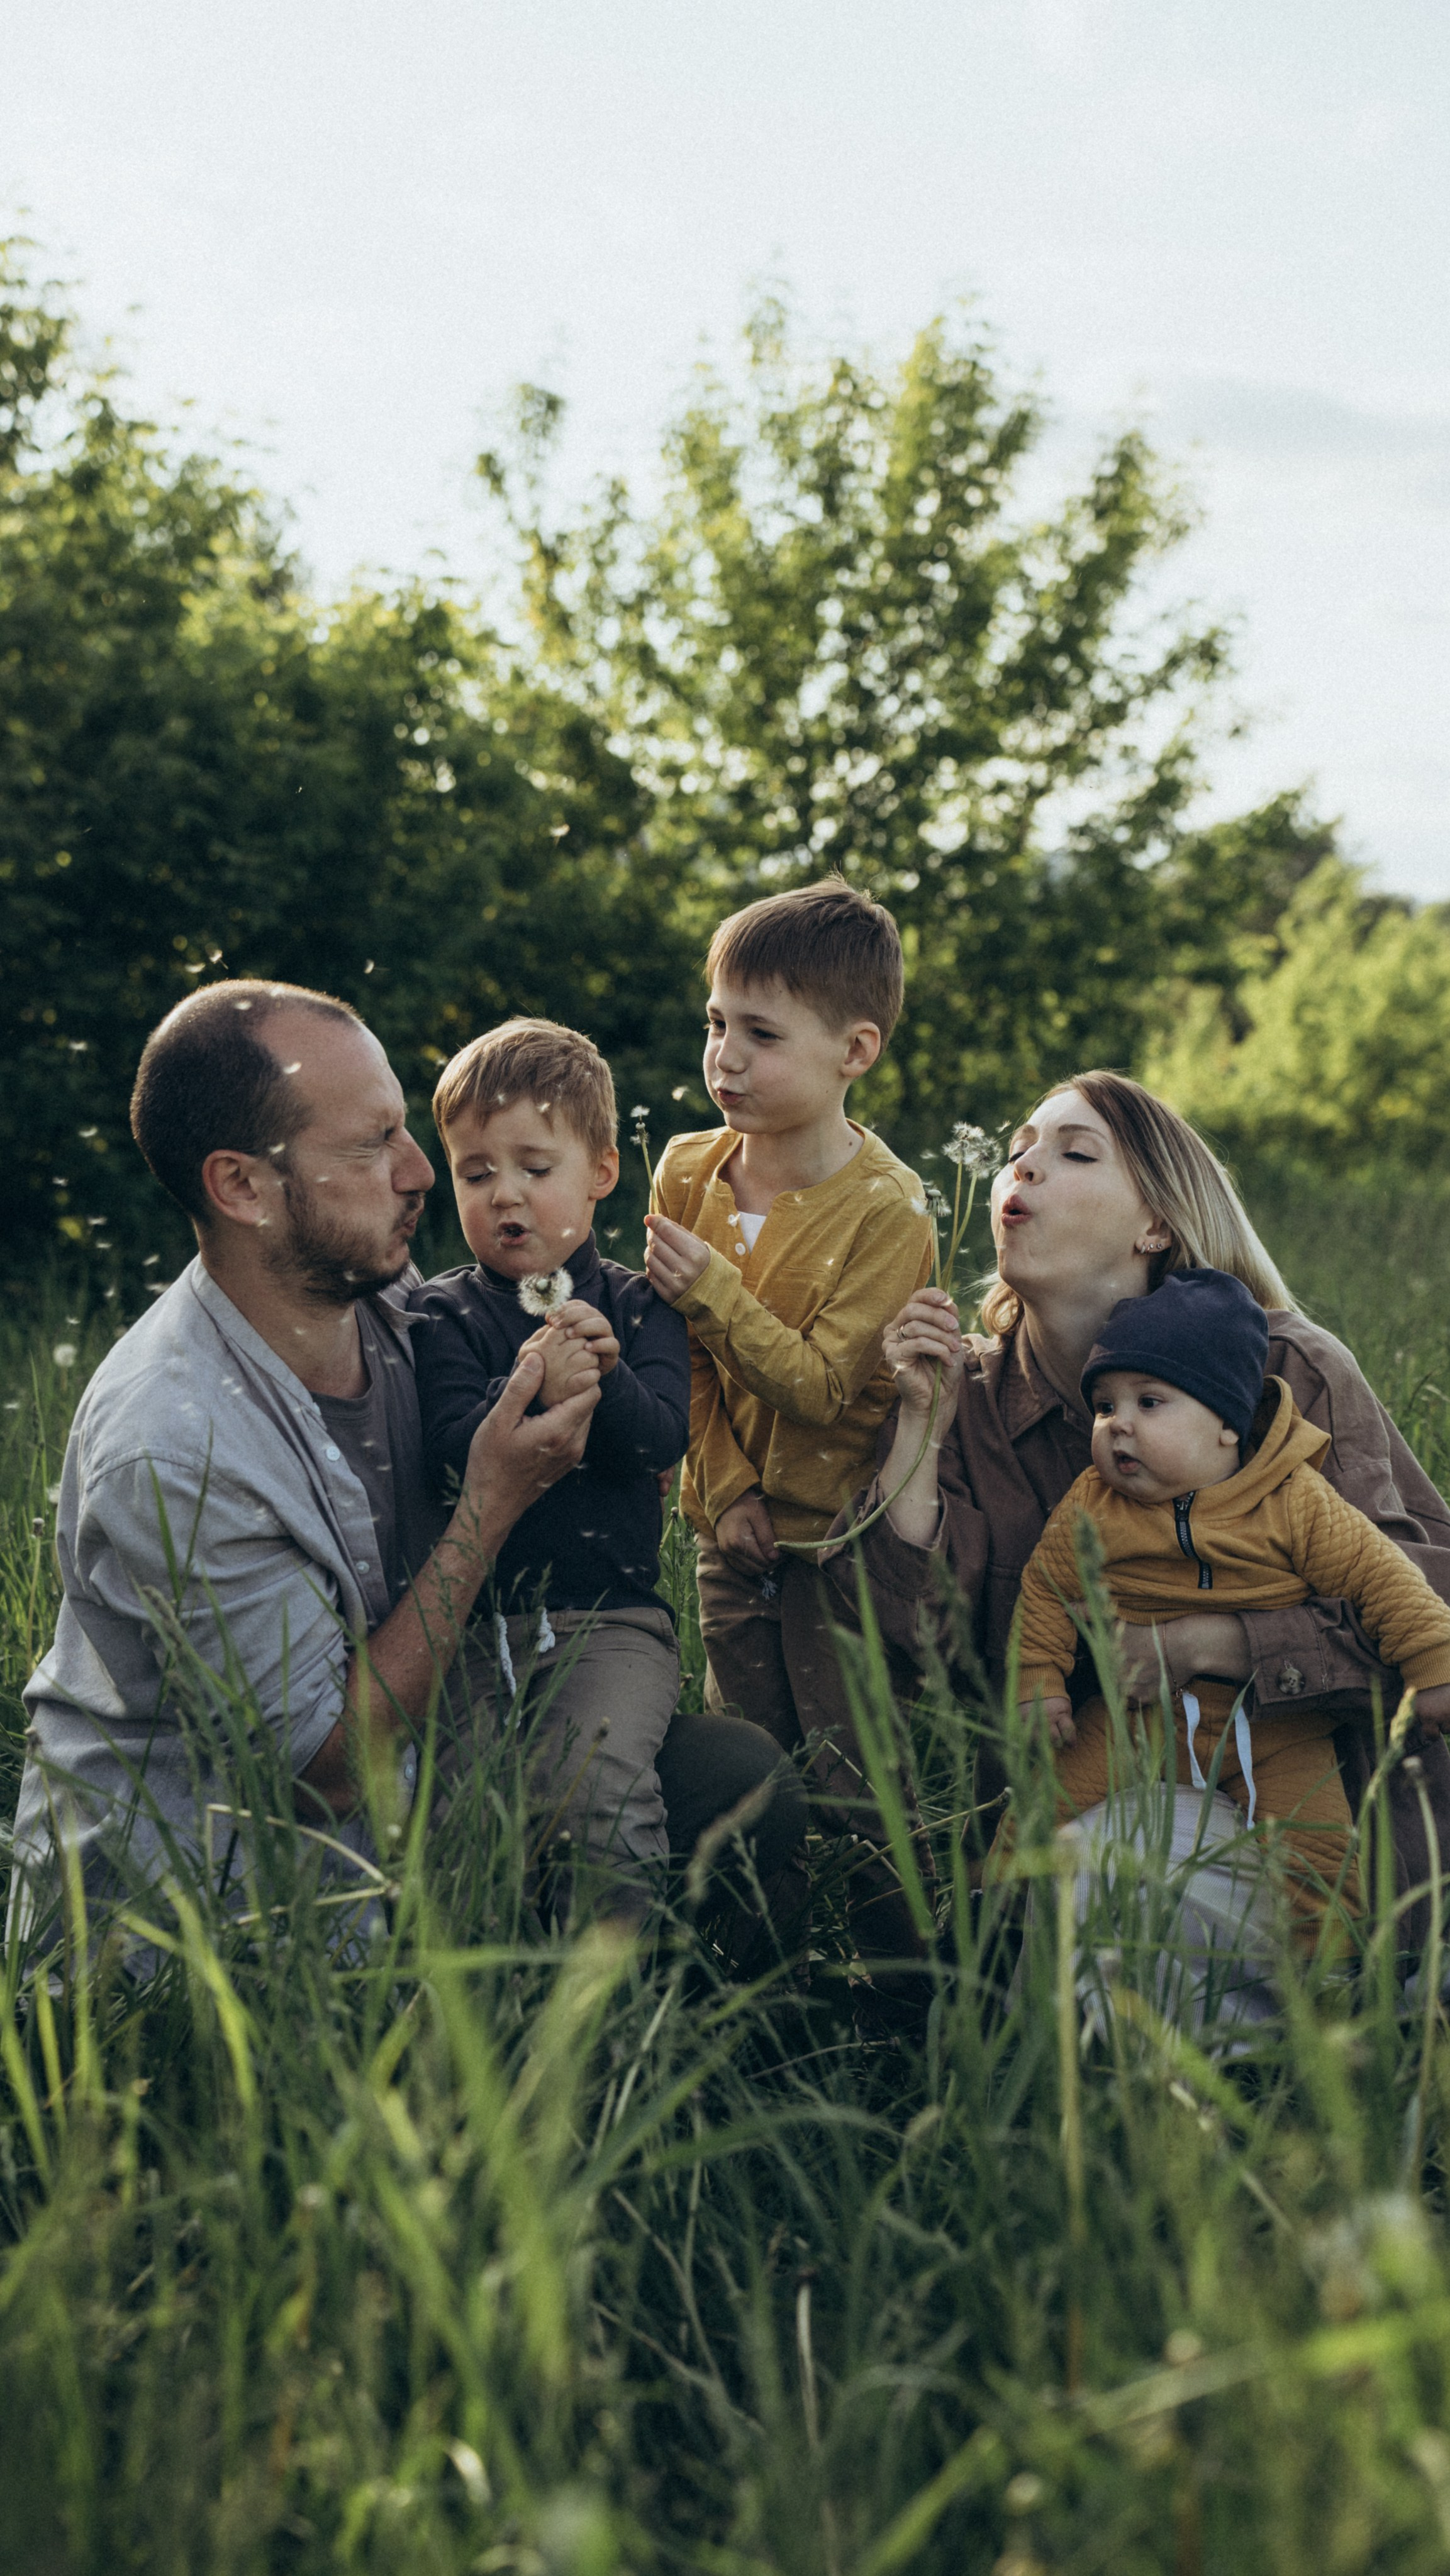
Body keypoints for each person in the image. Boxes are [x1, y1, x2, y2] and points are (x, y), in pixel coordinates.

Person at [9, 980, 804, 1952]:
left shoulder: (394, 1312)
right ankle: (528, 2029)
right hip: (223, 1915)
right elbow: (325, 1773)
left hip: (426, 1771)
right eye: (370, 1144)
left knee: (733, 1777)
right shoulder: (175, 1447)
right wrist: (492, 1504)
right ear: (243, 1188)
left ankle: (637, 2025)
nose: (422, 1172)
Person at [823, 1070, 1450, 1950]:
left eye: (1073, 1153)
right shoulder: (962, 1393)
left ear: (1155, 1224)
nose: (1023, 1170)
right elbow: (901, 1648)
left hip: (1324, 1812)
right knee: (1104, 1867)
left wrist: (1213, 1645)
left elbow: (1422, 1601)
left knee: (1122, 1875)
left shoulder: (1282, 1371)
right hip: (1097, 1801)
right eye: (1014, 1154)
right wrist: (918, 1429)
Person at [645, 877, 933, 1968]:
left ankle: (895, 1980)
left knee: (860, 1765)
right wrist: (726, 1495)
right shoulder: (688, 1172)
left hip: (847, 1544)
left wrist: (713, 1283)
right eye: (716, 1022)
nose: (724, 1056)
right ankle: (757, 1974)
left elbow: (819, 1385)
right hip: (739, 1536)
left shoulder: (887, 1210)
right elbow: (685, 1365)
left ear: (854, 1050)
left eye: (760, 1034)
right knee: (750, 1760)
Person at [1008, 1267, 1450, 1943]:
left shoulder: (1292, 1500)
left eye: (1148, 1403)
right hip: (1139, 1715)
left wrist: (1433, 1662)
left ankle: (1325, 1977)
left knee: (1315, 1850)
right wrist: (1037, 1685)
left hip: (1274, 1725)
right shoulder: (1091, 1506)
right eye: (1105, 1406)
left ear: (1225, 1425)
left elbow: (1380, 1579)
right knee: (1042, 1808)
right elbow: (1045, 1589)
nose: (1118, 1425)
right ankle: (989, 1926)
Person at [408, 1018, 689, 1926]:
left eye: (535, 1168)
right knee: (457, 1805)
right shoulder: (439, 1313)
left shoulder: (641, 1306)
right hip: (473, 1624)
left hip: (610, 1619)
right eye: (476, 1172)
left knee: (592, 1784)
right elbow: (447, 1445)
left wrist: (600, 1378)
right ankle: (487, 2014)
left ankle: (612, 2021)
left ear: (601, 1173)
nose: (504, 1195)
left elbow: (657, 1443)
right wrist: (530, 1381)